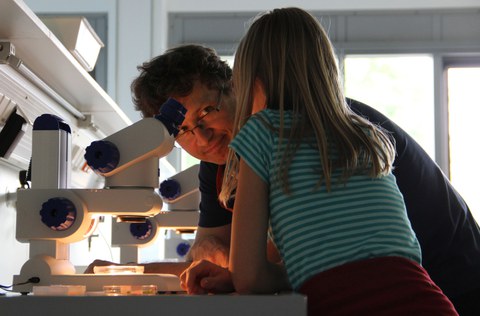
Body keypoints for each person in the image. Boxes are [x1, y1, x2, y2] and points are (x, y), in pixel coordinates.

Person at [86, 44, 480, 314]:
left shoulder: (310, 126)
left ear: (236, 89)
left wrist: (234, 262)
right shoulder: (223, 159)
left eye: (207, 111)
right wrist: (122, 274)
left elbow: (262, 265)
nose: (202, 137)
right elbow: (211, 252)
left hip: (448, 280)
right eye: (183, 130)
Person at [180, 7, 459, 315]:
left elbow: (249, 278)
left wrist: (240, 276)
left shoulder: (262, 132)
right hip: (428, 302)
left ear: (252, 82)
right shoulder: (367, 135)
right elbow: (359, 260)